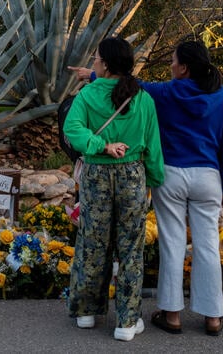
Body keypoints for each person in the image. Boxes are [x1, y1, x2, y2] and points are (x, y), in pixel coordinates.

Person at [71, 39, 223, 336]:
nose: (170, 65)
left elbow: (128, 86)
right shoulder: (221, 98)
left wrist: (93, 74)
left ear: (184, 68)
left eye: (174, 60)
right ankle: (213, 316)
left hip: (172, 175)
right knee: (208, 246)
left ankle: (172, 314)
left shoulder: (167, 92)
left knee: (172, 244)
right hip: (208, 178)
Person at [62, 37, 164, 342]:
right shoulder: (143, 98)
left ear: (105, 64)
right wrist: (155, 181)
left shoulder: (88, 95)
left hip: (96, 175)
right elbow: (153, 147)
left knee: (93, 240)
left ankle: (86, 311)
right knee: (130, 246)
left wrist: (100, 146)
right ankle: (127, 320)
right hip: (133, 176)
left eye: (95, 58)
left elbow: (72, 129)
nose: (93, 62)